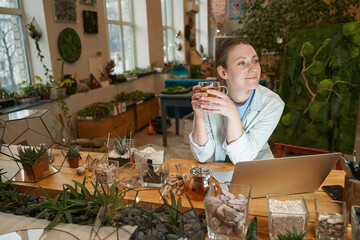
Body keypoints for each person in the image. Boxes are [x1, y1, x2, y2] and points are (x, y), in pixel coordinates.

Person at [189, 37, 284, 164]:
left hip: (256, 172)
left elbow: (242, 159)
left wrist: (233, 114)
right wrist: (199, 114)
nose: (253, 69)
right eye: (242, 63)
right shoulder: (210, 97)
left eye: (255, 61)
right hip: (219, 175)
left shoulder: (272, 104)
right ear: (223, 72)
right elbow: (202, 156)